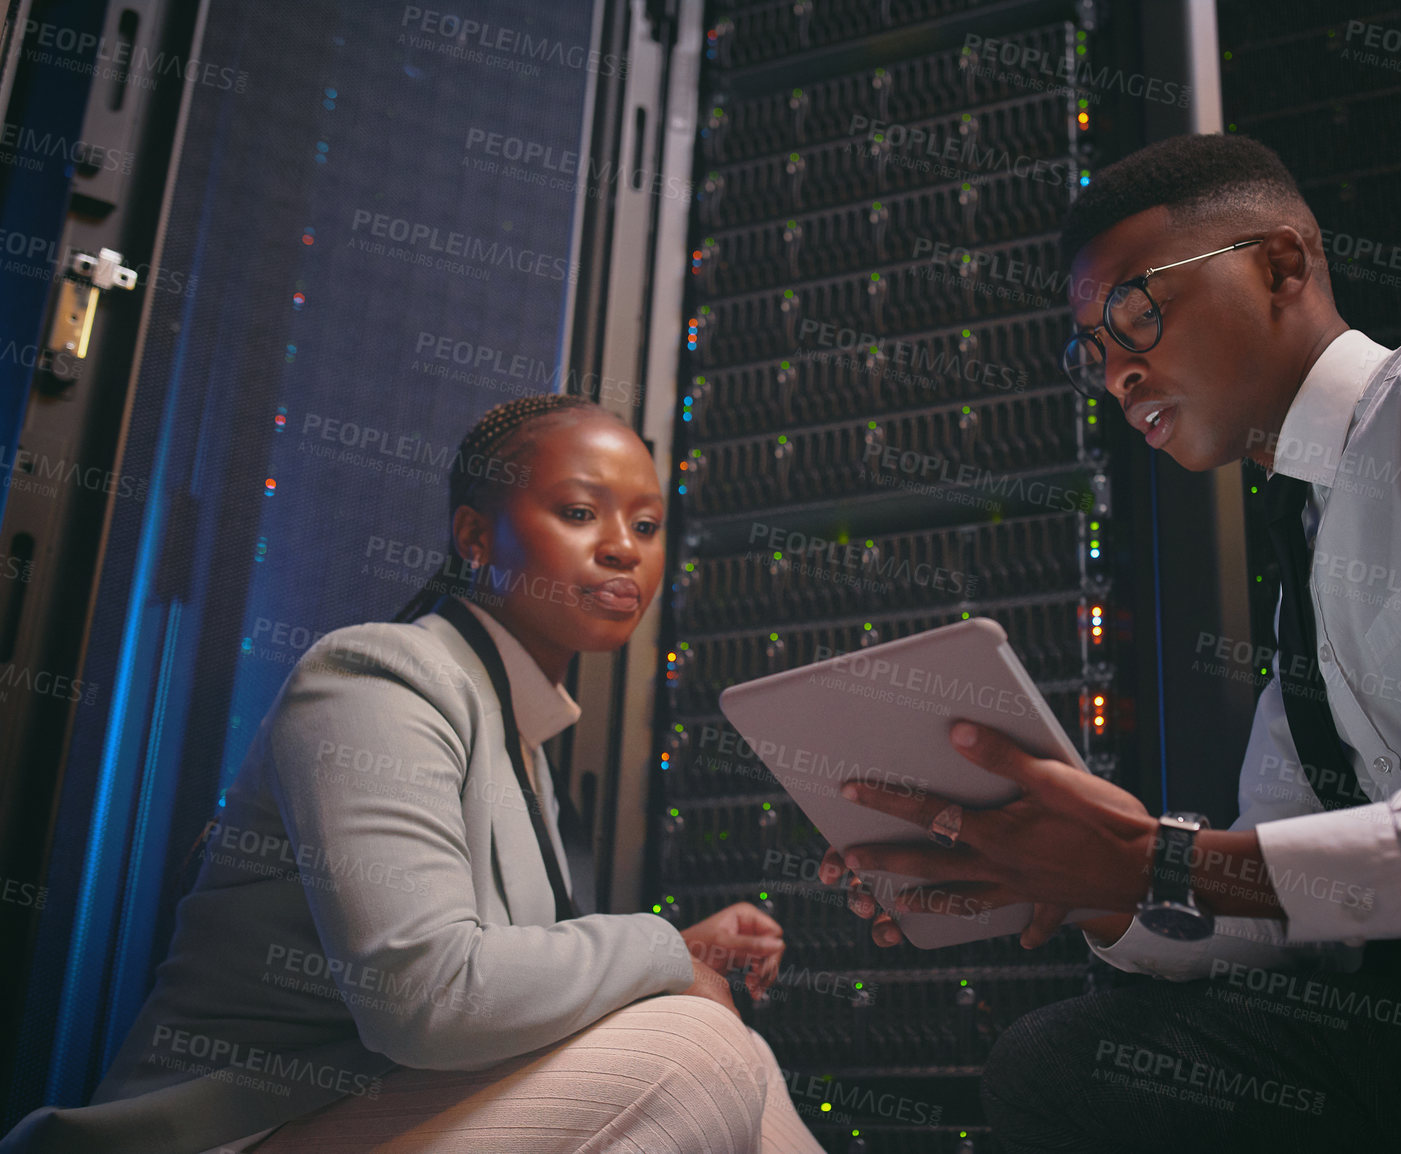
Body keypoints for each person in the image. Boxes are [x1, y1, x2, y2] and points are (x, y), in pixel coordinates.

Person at [819, 133, 1401, 1151]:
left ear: (1280, 264)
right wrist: (1094, 883)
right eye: (1090, 350)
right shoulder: (1312, 576)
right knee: (1071, 1059)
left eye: (1134, 309)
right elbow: (1283, 908)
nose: (1117, 372)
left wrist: (1162, 860)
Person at [2, 395, 824, 1154]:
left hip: (374, 1110)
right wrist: (659, 950)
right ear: (474, 536)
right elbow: (426, 996)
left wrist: (675, 954)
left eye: (647, 525)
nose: (623, 547)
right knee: (695, 1047)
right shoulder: (375, 676)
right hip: (237, 1133)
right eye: (579, 512)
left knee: (733, 1042)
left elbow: (505, 988)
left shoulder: (521, 744)